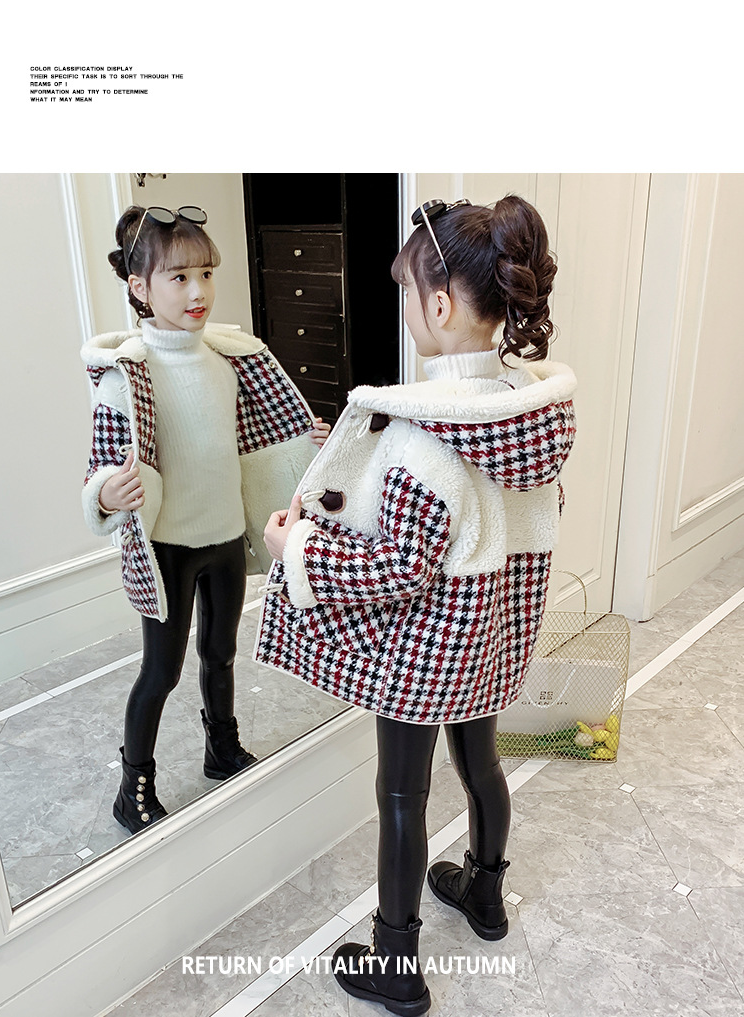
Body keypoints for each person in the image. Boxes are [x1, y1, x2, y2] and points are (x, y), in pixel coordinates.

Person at [258, 195, 577, 1015]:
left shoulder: (421, 436)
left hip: (426, 649)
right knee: (482, 765)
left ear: (438, 305)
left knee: (402, 796)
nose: (406, 308)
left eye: (406, 291)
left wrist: (297, 547)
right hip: (494, 632)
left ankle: (396, 960)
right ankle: (485, 894)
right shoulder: (525, 413)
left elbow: (398, 566)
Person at [80, 204, 329, 836]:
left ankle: (222, 746)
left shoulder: (228, 363)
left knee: (220, 652)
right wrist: (108, 494)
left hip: (223, 537)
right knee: (160, 672)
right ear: (139, 287)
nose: (198, 292)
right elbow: (99, 470)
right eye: (179, 277)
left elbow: (256, 444)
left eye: (206, 274)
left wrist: (306, 447)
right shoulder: (128, 375)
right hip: (168, 547)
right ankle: (133, 785)